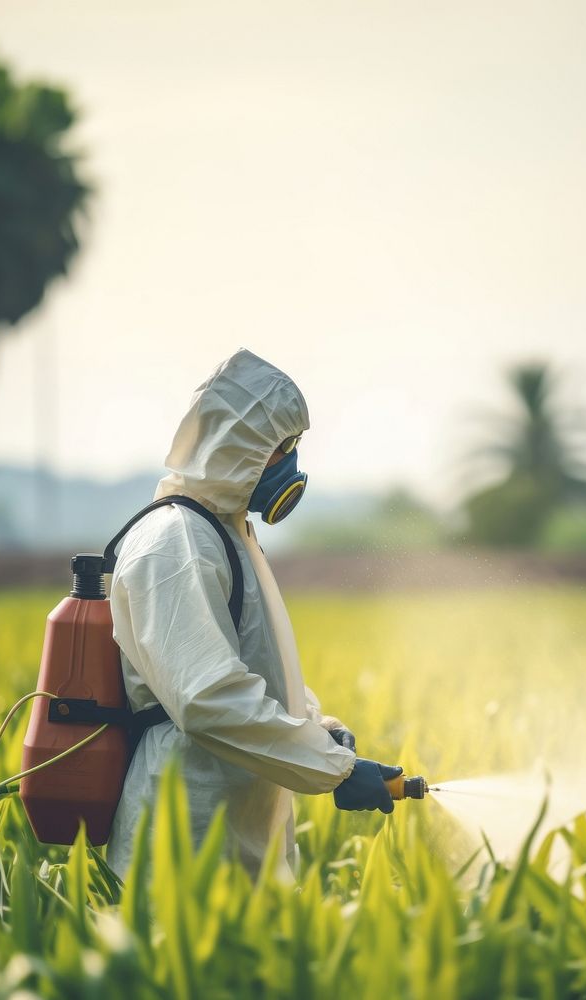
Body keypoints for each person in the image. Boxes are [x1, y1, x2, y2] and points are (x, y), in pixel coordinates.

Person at [105, 348, 402, 880]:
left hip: (236, 823)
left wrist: (317, 728)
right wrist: (334, 770)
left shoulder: (227, 533)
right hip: (186, 834)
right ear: (235, 446)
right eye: (279, 447)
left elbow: (255, 670)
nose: (291, 461)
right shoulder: (177, 541)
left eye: (294, 446)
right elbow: (208, 696)